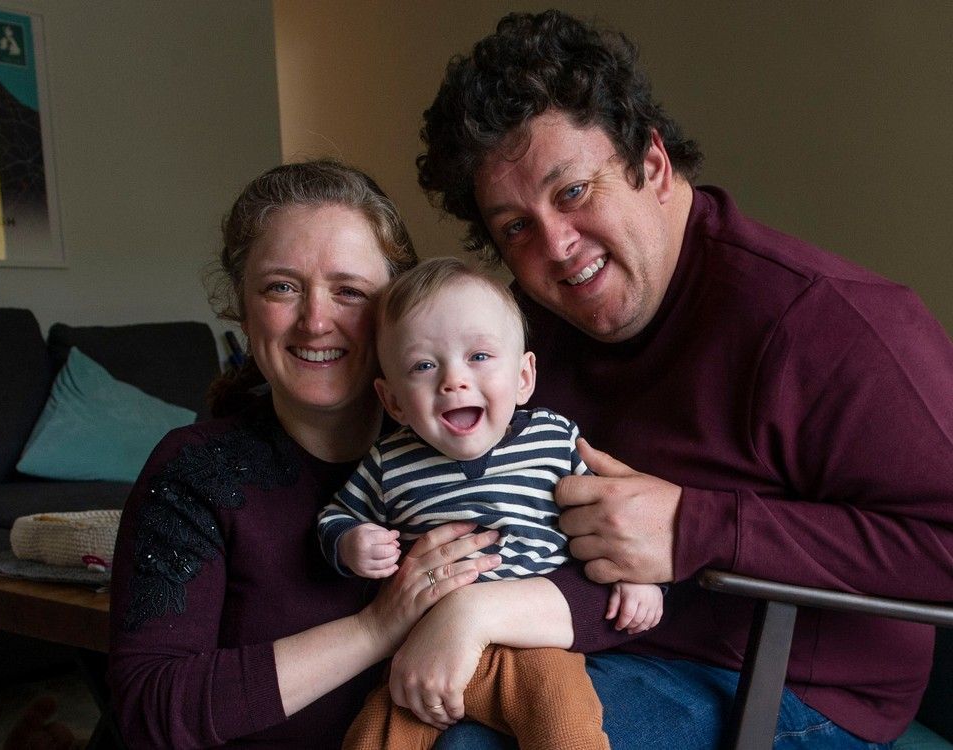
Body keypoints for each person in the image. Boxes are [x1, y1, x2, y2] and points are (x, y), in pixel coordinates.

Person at [405, 9, 953, 749]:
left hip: (786, 688)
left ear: (653, 166)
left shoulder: (822, 324)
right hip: (592, 636)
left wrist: (697, 528)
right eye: (514, 228)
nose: (556, 248)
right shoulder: (527, 342)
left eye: (571, 193)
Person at [106, 160, 504, 749]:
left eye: (349, 291)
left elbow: (600, 594)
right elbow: (151, 708)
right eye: (281, 287)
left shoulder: (476, 443)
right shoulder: (194, 472)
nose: (316, 320)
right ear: (243, 311)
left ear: (397, 311)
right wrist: (374, 629)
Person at [318, 257, 663, 749]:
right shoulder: (388, 462)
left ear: (524, 377)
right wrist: (352, 541)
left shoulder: (552, 439)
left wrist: (637, 576)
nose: (453, 381)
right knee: (371, 738)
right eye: (423, 365)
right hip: (423, 649)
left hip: (534, 648)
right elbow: (336, 515)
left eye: (479, 356)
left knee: (568, 732)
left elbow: (613, 519)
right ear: (392, 400)